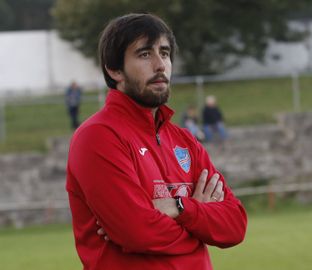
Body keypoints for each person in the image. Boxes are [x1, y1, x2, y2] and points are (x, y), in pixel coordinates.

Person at [66, 13, 247, 270]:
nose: (160, 64)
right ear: (114, 69)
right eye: (144, 54)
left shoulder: (185, 140)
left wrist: (180, 207)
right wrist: (200, 230)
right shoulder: (97, 136)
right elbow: (137, 231)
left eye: (164, 53)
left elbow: (235, 225)